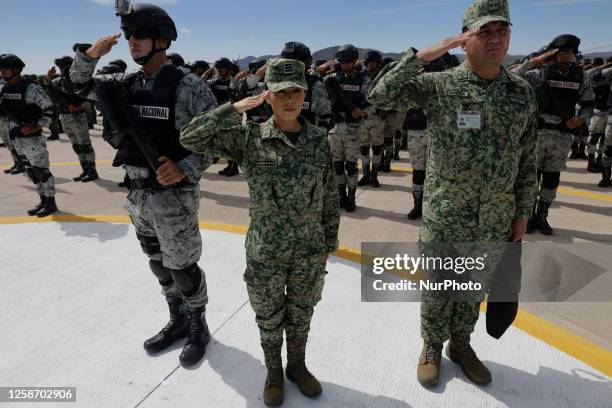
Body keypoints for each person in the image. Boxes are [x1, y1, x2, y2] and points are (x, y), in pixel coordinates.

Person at [368, 0, 538, 388]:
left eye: (502, 31)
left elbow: (527, 156)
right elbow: (379, 95)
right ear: (465, 40)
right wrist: (423, 55)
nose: (495, 39)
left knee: (475, 284)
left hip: (496, 214)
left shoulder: (521, 93)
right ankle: (431, 344)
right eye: (484, 31)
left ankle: (460, 344)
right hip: (447, 212)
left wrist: (522, 210)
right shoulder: (439, 85)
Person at [180, 58, 340, 406]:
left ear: (305, 92)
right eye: (281, 92)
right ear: (268, 95)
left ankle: (297, 366)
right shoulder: (249, 139)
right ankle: (273, 370)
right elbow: (190, 135)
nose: (290, 99)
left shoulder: (318, 141)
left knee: (302, 312)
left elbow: (330, 193)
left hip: (309, 250)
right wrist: (233, 107)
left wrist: (330, 240)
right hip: (266, 249)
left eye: (296, 90)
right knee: (268, 316)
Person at [69, 2, 218, 367]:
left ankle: (199, 325)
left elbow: (220, 140)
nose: (132, 41)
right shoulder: (124, 84)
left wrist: (184, 167)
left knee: (182, 266)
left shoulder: (189, 86)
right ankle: (177, 319)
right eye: (130, 35)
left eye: (140, 35)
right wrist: (90, 55)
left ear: (162, 40)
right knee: (157, 263)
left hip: (174, 197)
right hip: (136, 194)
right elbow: (74, 88)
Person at [512, 34, 595, 235]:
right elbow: (511, 78)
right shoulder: (540, 73)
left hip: (562, 135)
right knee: (532, 178)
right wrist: (532, 62)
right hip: (537, 134)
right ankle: (529, 216)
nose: (566, 55)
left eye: (569, 51)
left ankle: (543, 215)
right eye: (561, 51)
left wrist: (582, 118)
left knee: (551, 178)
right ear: (554, 53)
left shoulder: (582, 76)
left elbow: (588, 103)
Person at [0, 53, 59, 216]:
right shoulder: (4, 89)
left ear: (16, 69)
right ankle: (42, 200)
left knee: (41, 171)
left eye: (5, 68)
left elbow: (52, 110)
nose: (2, 72)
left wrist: (36, 126)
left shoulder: (31, 88)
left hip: (32, 138)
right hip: (16, 138)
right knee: (30, 171)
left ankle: (51, 202)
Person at [324, 44, 371, 211]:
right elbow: (312, 78)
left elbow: (371, 102)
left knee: (350, 165)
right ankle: (341, 196)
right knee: (337, 165)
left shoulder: (364, 80)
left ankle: (351, 197)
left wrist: (363, 112)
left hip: (353, 128)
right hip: (335, 128)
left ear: (354, 61)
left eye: (347, 62)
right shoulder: (332, 79)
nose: (343, 65)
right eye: (341, 62)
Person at [46, 55, 99, 182]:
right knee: (76, 145)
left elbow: (92, 98)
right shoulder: (59, 81)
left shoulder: (80, 81)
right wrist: (48, 78)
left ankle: (92, 172)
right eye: (60, 67)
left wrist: (81, 106)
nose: (61, 69)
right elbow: (50, 92)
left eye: (63, 66)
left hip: (78, 116)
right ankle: (85, 170)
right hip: (65, 116)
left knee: (85, 145)